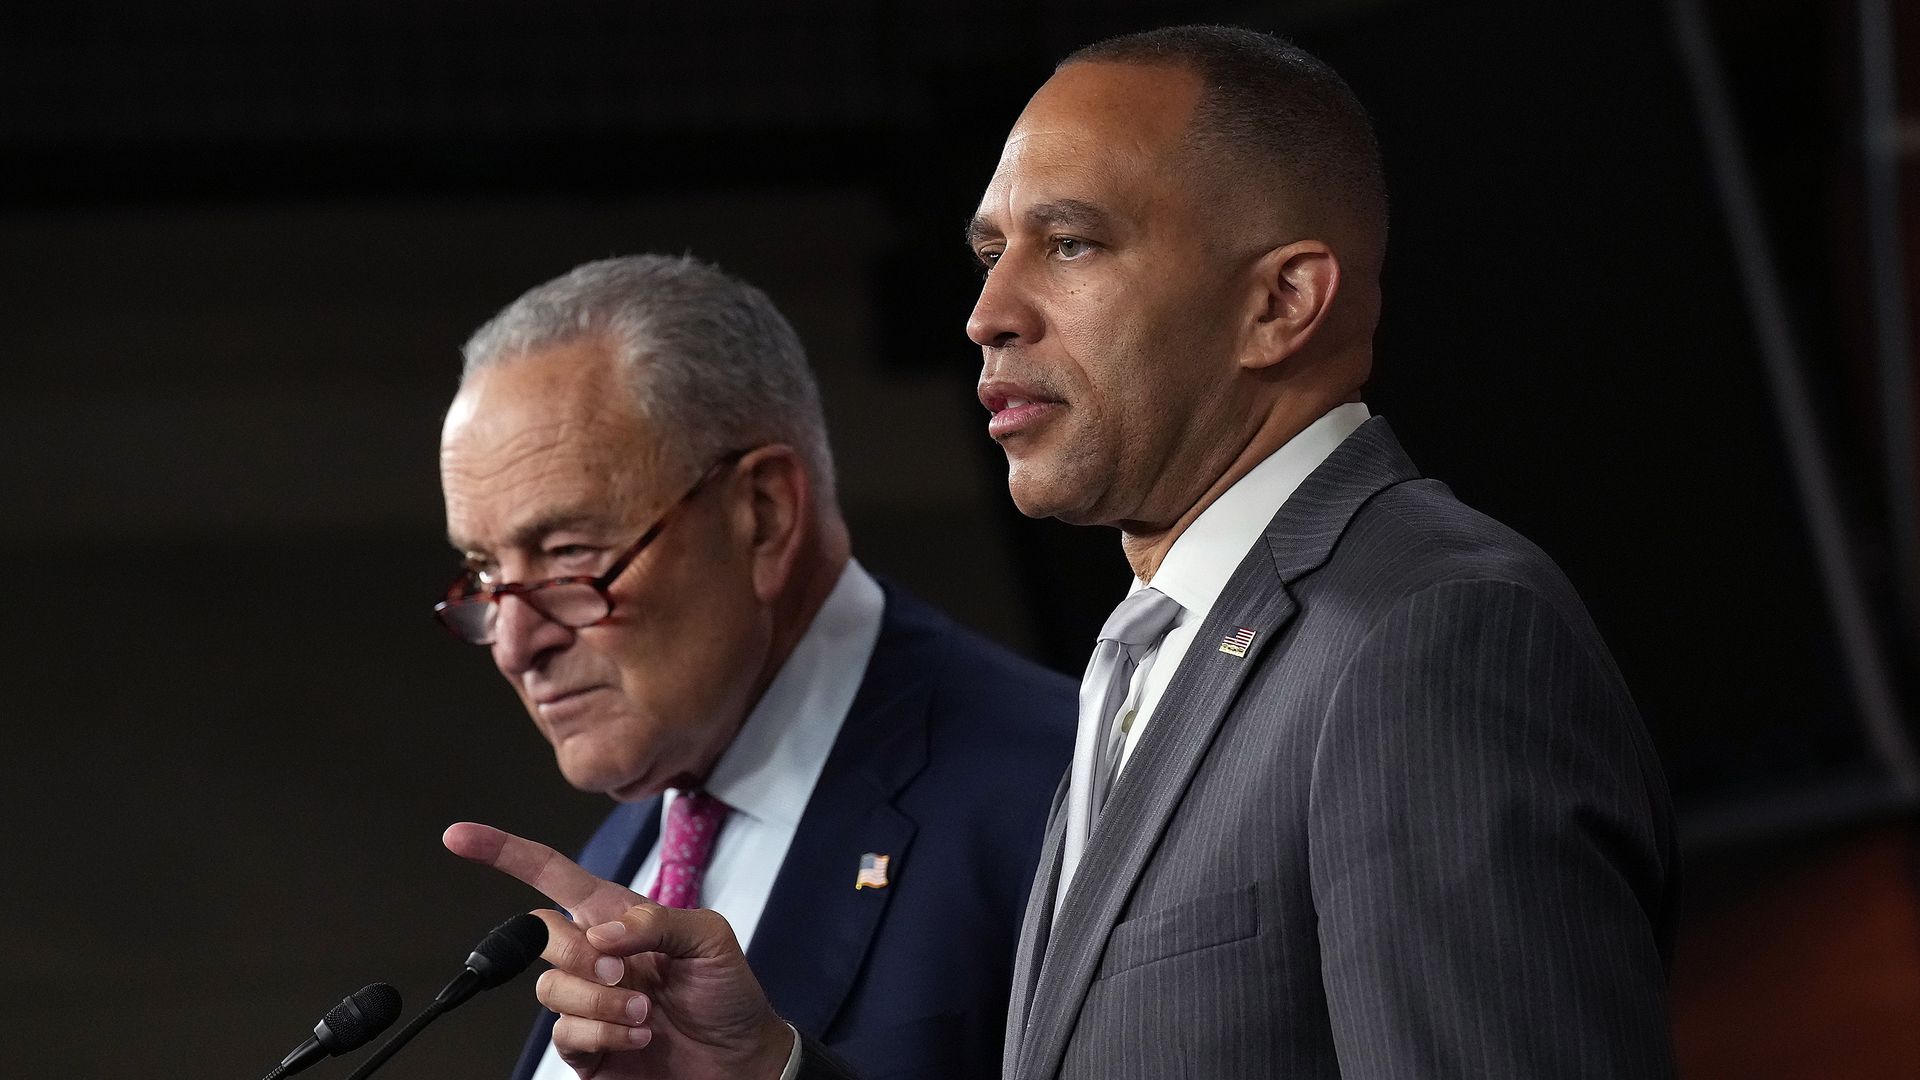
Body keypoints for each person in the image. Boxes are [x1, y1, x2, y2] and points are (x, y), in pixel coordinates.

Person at [464, 25, 1679, 1080]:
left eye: (1073, 243)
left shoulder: (1429, 632)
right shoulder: (1153, 648)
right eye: (992, 253)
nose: (989, 314)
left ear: (1280, 302)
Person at [433, 254, 1076, 1080]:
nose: (516, 645)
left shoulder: (1061, 795)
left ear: (763, 516)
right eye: (486, 573)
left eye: (568, 554)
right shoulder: (630, 846)